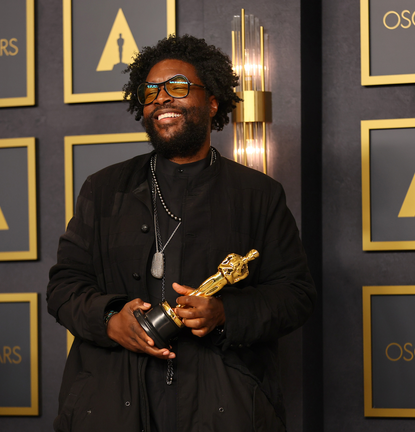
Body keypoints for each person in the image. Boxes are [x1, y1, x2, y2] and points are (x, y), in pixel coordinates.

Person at [46, 34, 316, 432]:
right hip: (109, 408)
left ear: (212, 101)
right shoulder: (103, 189)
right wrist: (109, 318)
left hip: (224, 409)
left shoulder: (258, 195)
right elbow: (63, 286)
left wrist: (226, 314)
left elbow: (295, 296)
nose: (161, 99)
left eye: (177, 86)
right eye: (150, 91)